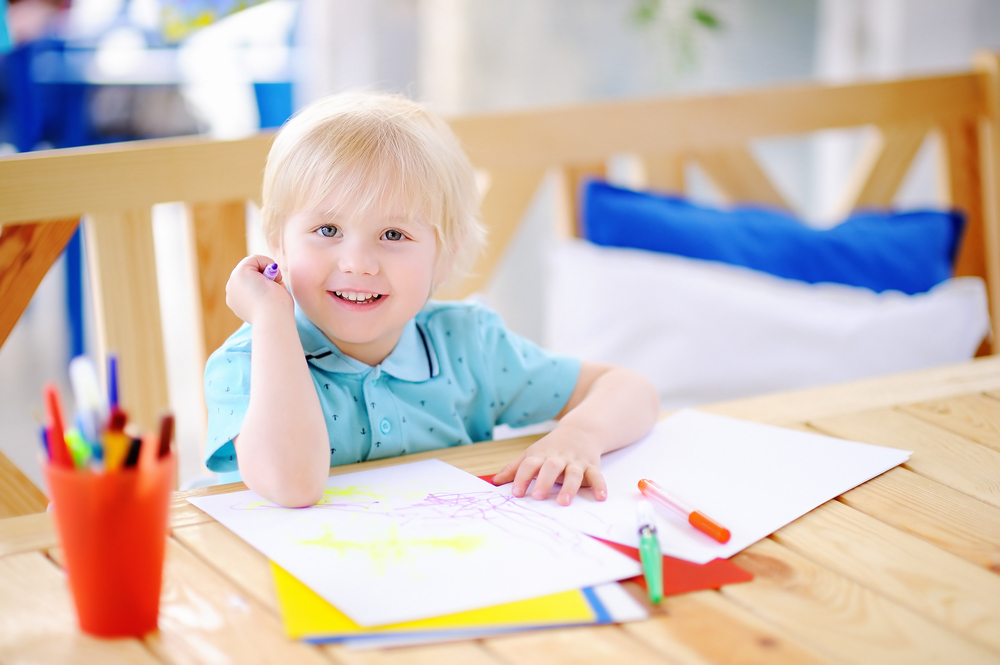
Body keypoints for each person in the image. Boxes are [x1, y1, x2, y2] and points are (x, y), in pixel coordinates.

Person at [204, 91, 659, 508]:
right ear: (278, 245)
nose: (358, 262)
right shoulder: (251, 362)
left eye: (393, 234)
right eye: (328, 231)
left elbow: (630, 389)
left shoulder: (470, 345)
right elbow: (293, 486)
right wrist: (270, 318)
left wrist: (580, 435)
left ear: (444, 257)